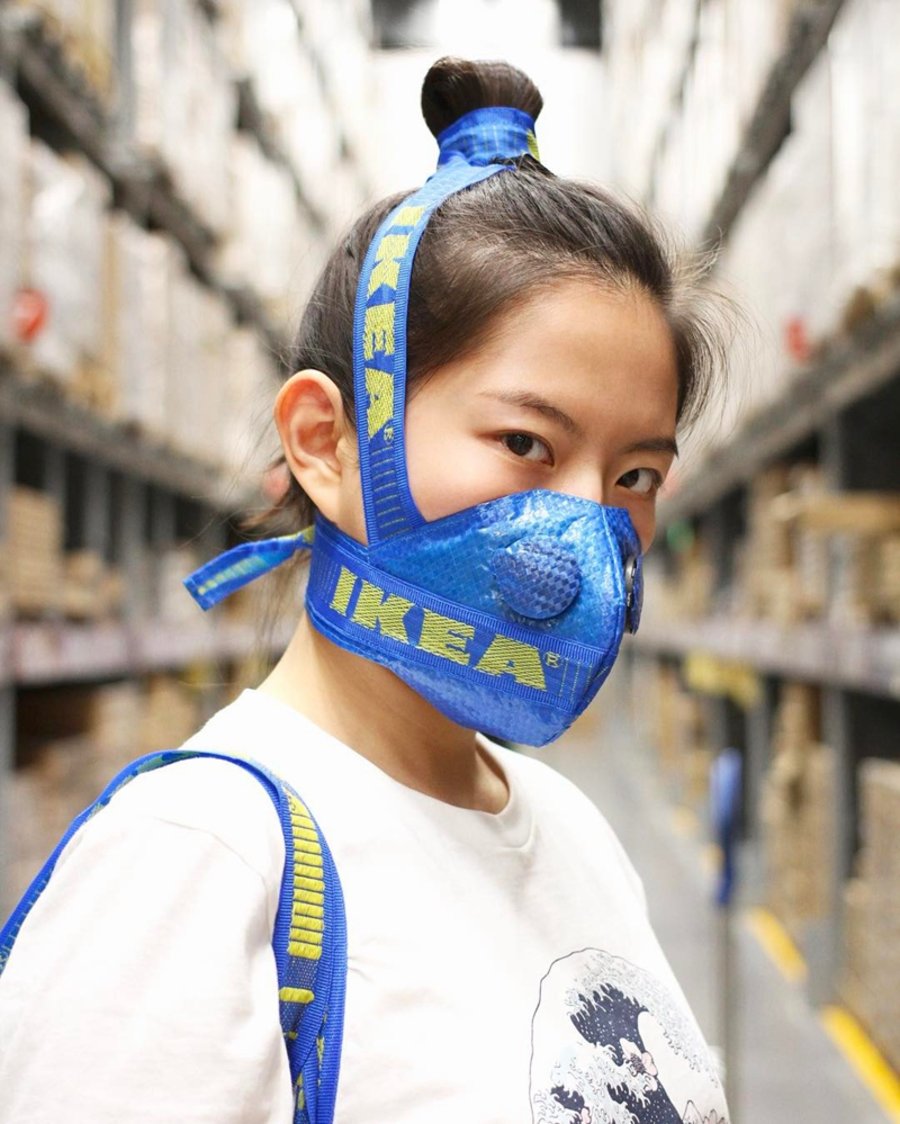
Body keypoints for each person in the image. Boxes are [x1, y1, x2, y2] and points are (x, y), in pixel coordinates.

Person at [0, 58, 732, 1123]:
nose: (587, 531)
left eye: (636, 477)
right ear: (326, 443)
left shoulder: (571, 832)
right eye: (525, 442)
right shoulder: (199, 867)